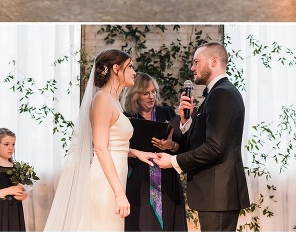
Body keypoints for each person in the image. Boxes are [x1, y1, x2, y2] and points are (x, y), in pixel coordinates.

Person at [43, 50, 158, 231]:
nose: (134, 72)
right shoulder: (102, 99)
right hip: (105, 182)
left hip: (115, 179)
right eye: (130, 66)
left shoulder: (114, 101)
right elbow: (101, 148)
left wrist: (135, 152)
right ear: (116, 69)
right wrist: (119, 193)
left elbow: (112, 144)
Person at [153, 42, 250, 231]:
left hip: (219, 194)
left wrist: (172, 161)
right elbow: (204, 141)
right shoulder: (218, 93)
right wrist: (185, 121)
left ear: (213, 61)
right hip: (215, 194)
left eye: (197, 62)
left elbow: (215, 148)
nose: (192, 67)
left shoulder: (222, 94)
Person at [123, 74, 188, 232]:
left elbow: (183, 147)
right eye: (146, 93)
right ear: (135, 95)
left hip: (167, 180)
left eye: (154, 92)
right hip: (139, 181)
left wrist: (170, 145)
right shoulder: (127, 118)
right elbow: (119, 150)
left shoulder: (166, 113)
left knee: (170, 222)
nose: (151, 97)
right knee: (141, 223)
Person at [0, 128, 27, 232]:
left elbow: (21, 187)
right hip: (1, 211)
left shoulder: (15, 167)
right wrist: (8, 191)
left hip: (15, 211)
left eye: (13, 144)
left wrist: (23, 194)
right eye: (6, 144)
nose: (11, 148)